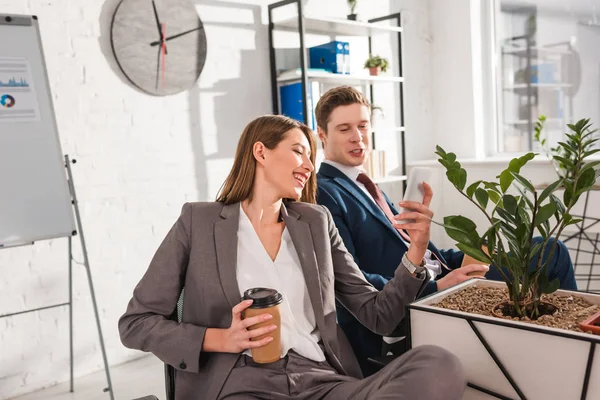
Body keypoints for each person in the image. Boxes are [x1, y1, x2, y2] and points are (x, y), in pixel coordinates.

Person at [119, 115, 466, 400]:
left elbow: (378, 314)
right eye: (299, 152)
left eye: (311, 158)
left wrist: (416, 252)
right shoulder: (199, 221)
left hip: (320, 379)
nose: (309, 166)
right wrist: (222, 338)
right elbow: (136, 323)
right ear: (261, 152)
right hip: (239, 383)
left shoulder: (315, 222)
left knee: (438, 363)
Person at [314, 85, 578, 376]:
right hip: (419, 303)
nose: (358, 137)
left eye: (363, 125)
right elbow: (355, 283)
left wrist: (466, 255)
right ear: (322, 135)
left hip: (444, 276)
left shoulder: (364, 184)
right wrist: (438, 286)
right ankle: (573, 353)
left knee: (546, 248)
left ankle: (556, 350)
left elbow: (419, 251)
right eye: (344, 128)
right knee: (550, 254)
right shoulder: (325, 193)